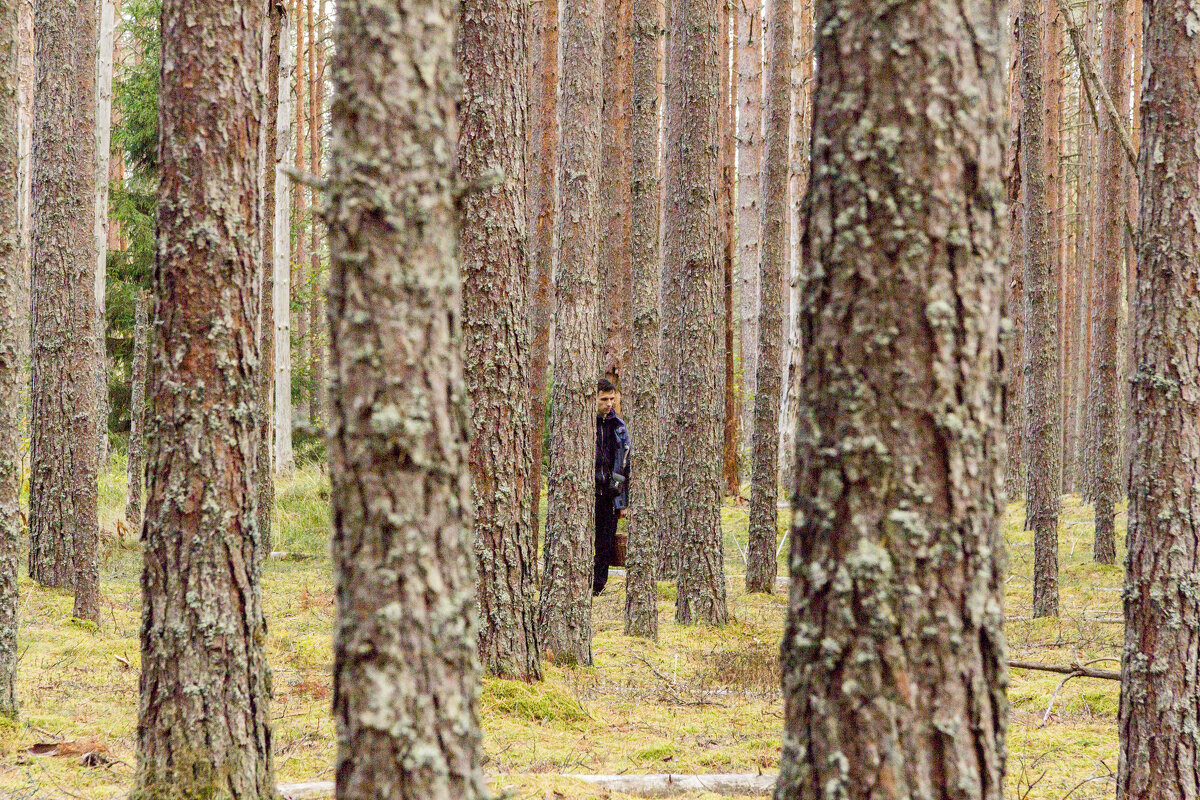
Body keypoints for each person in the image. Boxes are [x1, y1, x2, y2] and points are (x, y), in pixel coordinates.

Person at [594, 378, 630, 596]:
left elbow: (624, 466)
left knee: (606, 542)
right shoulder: (587, 424)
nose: (609, 403)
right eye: (604, 399)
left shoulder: (619, 427)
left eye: (612, 399)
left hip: (610, 493)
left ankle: (598, 586)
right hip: (588, 492)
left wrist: (621, 502)